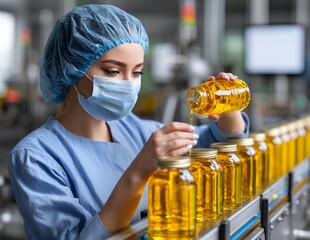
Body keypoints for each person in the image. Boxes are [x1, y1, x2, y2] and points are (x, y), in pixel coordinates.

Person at [7, 4, 250, 240]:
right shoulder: (37, 157)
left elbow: (216, 143)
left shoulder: (132, 128)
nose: (127, 83)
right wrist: (138, 172)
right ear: (72, 69)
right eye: (113, 71)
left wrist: (228, 106)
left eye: (137, 72)